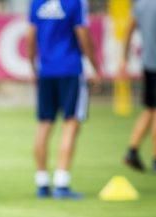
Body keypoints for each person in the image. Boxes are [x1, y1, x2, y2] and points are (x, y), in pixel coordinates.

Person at [27, 0, 102, 199]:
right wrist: (95, 66)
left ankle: (42, 182)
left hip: (46, 70)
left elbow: (31, 36)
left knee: (44, 124)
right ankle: (62, 182)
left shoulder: (37, 3)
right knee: (71, 123)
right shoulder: (75, 2)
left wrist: (32, 65)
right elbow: (83, 35)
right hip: (70, 69)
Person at [120, 0, 156, 174]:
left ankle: (132, 150)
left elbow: (129, 30)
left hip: (148, 63)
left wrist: (124, 58)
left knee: (149, 108)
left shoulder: (142, 4)